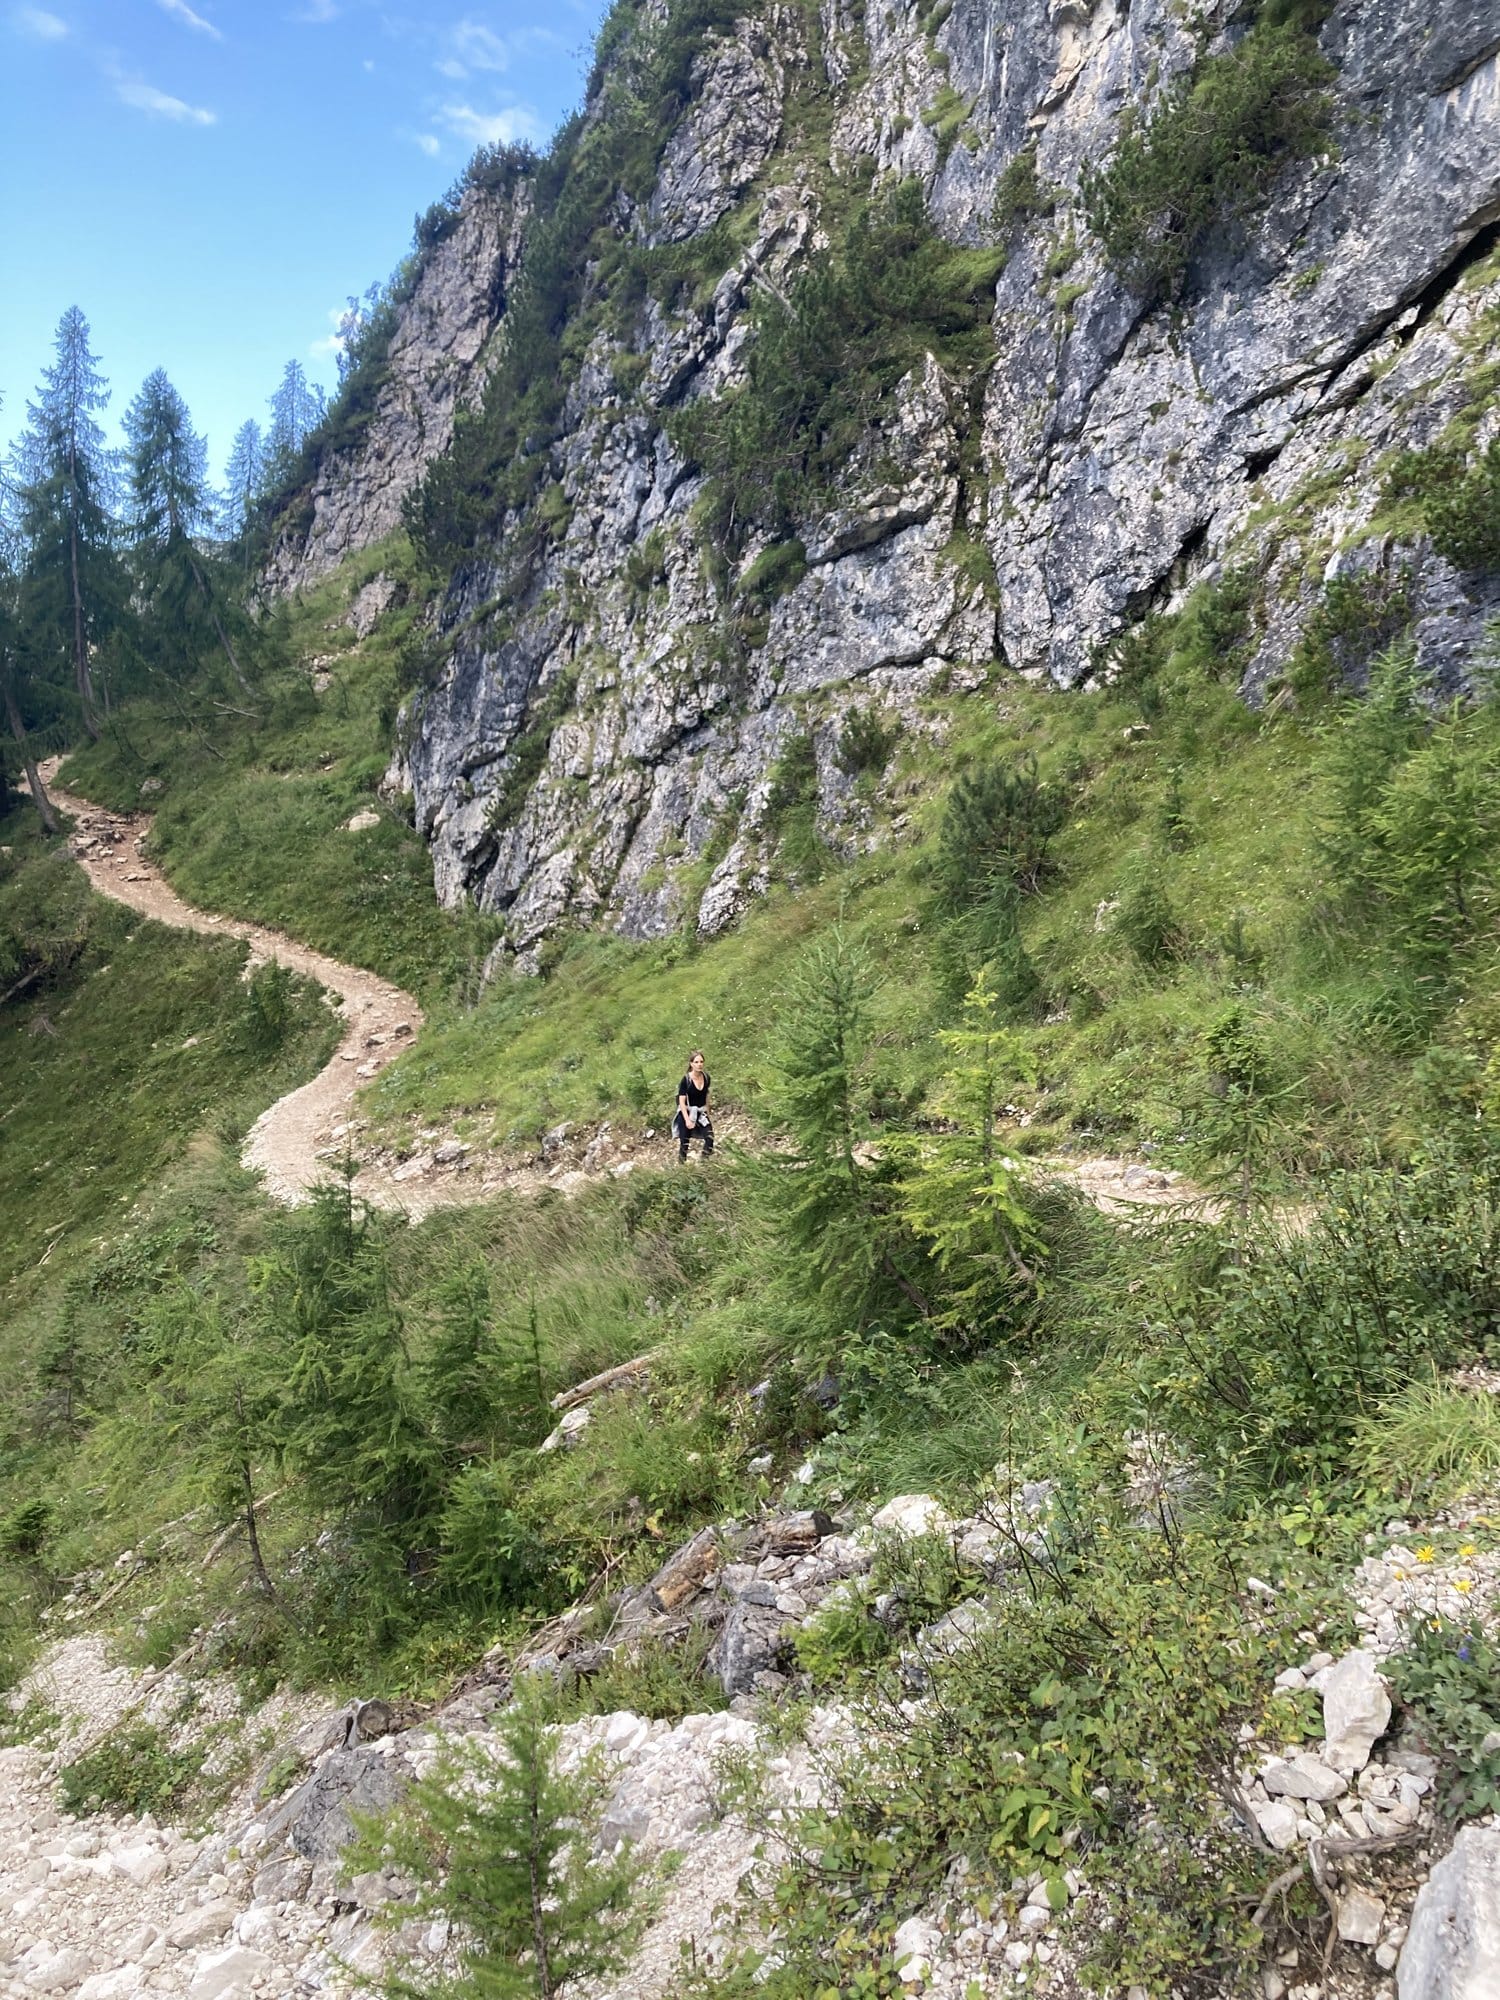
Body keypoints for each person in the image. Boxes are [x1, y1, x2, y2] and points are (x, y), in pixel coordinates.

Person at [673, 1050, 713, 1162]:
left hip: (701, 1112)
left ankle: (703, 1164)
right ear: (691, 1064)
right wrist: (687, 1120)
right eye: (696, 1062)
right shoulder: (686, 1080)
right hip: (687, 1112)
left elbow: (706, 1096)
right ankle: (682, 1169)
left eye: (701, 1062)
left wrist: (708, 1114)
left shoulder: (706, 1077)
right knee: (684, 1144)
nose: (699, 1064)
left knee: (710, 1138)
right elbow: (681, 1101)